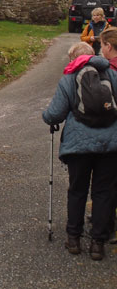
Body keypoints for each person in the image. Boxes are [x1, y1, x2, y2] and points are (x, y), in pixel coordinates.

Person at [42, 41, 117, 261]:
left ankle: (73, 238)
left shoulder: (68, 79)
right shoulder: (112, 75)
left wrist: (46, 117)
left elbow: (55, 114)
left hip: (78, 147)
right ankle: (97, 244)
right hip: (110, 146)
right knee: (103, 192)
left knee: (77, 190)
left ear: (73, 59)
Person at [100, 26, 117, 244]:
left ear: (109, 46)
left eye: (102, 45)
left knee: (108, 182)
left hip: (111, 134)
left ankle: (106, 225)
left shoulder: (107, 71)